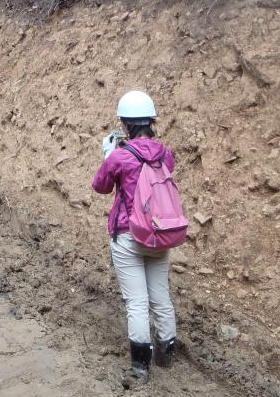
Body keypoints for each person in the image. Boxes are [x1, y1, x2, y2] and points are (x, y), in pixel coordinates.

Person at [92, 90, 177, 388]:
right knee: (161, 296)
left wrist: (109, 154)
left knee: (137, 303)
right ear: (151, 121)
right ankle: (166, 352)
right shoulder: (165, 153)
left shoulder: (120, 156)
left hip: (129, 236)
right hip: (160, 234)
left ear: (125, 124)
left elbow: (100, 186)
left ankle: (141, 368)